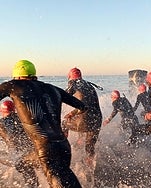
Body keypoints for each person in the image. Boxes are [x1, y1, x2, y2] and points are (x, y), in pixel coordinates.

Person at [0, 60, 88, 188]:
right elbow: (83, 107)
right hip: (63, 146)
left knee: (58, 181)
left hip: (45, 148)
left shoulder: (13, 85)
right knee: (22, 163)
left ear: (17, 76)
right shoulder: (53, 88)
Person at [62, 67, 102, 164]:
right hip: (97, 120)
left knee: (64, 123)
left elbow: (63, 96)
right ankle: (91, 166)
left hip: (85, 120)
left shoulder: (73, 83)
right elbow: (90, 103)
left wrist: (72, 112)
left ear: (70, 77)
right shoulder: (88, 85)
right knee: (89, 148)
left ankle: (62, 149)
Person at [0, 99, 39, 187]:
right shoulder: (23, 117)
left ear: (2, 111)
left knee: (22, 168)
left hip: (21, 155)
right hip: (35, 151)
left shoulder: (1, 123)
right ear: (14, 110)